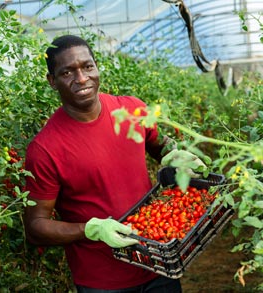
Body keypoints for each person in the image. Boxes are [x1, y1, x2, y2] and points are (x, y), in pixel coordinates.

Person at [23, 34, 205, 292]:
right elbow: (35, 227)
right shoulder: (45, 149)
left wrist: (173, 154)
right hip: (102, 281)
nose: (82, 78)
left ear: (97, 68)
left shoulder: (132, 110)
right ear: (52, 81)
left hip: (157, 261)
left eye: (87, 67)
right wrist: (91, 229)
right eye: (67, 72)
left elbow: (157, 143)